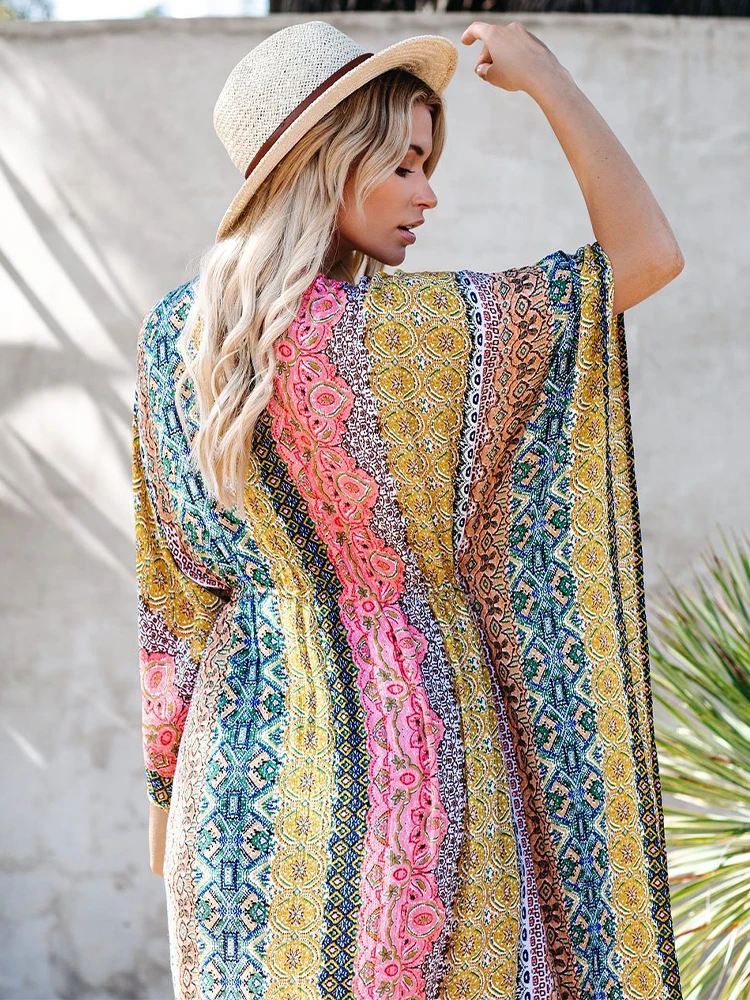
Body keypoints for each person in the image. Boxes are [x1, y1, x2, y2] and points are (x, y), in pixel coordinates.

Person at [132, 18, 685, 1000]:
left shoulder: (178, 335)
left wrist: (166, 810)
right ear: (328, 162)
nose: (429, 193)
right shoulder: (418, 333)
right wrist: (546, 77)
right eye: (405, 164)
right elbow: (644, 253)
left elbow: (172, 600)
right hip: (423, 764)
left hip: (240, 794)